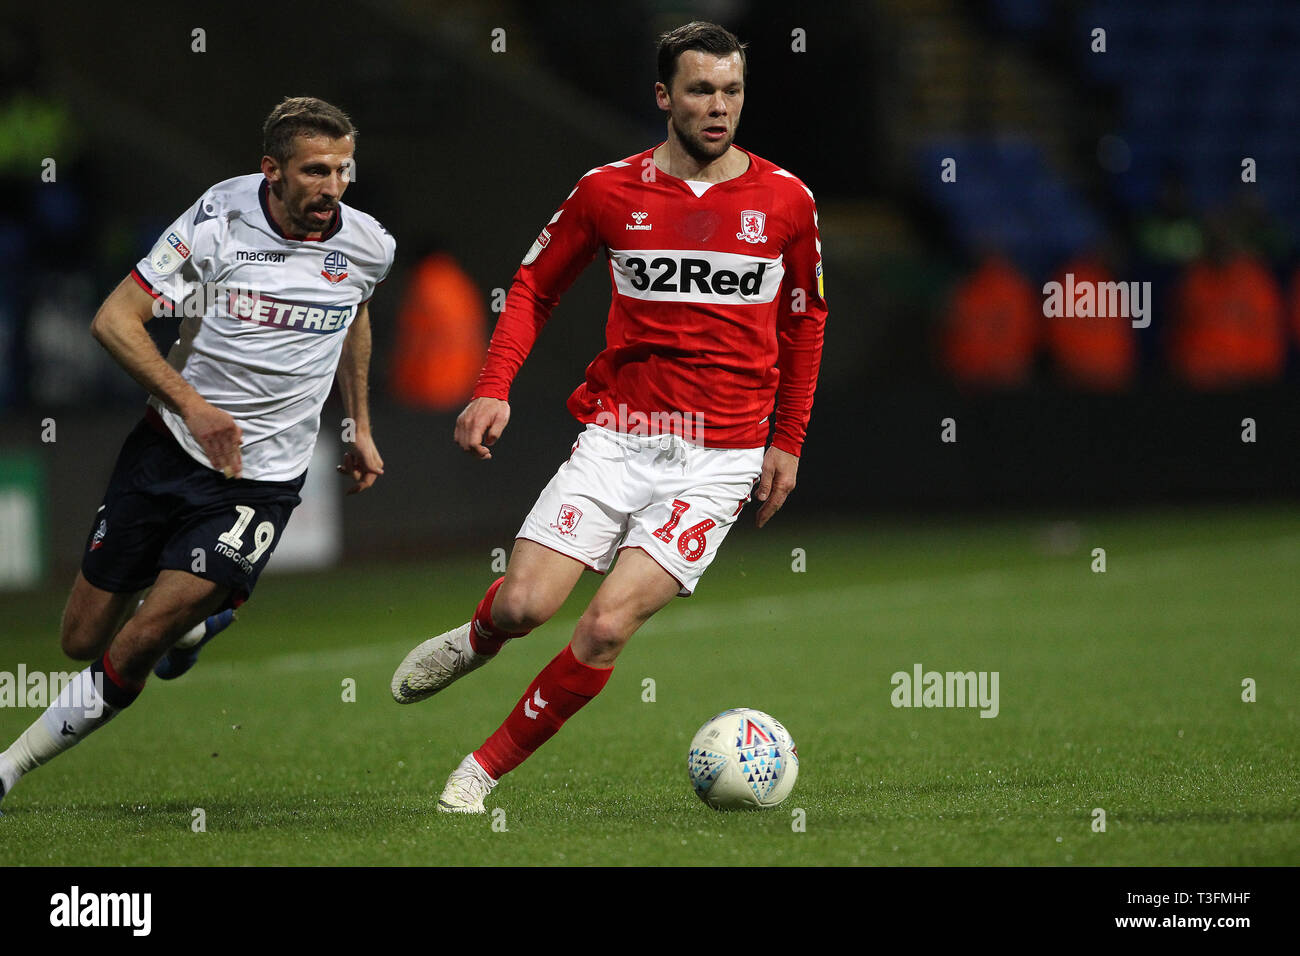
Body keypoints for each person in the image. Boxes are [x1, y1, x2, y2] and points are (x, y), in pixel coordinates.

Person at [390, 21, 827, 813]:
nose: (718, 106)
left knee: (604, 627)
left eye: (731, 90)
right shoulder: (607, 190)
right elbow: (531, 287)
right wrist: (495, 385)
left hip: (720, 459)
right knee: (525, 605)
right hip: (618, 439)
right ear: (664, 96)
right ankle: (478, 639)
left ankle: (477, 774)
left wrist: (786, 442)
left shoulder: (787, 201)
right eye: (700, 89)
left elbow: (806, 323)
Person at [0, 97, 394, 810]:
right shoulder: (217, 223)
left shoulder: (368, 244)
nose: (331, 187)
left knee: (141, 637)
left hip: (260, 480)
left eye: (343, 169)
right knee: (80, 638)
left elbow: (355, 311)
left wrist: (359, 423)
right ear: (271, 170)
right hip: (168, 449)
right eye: (314, 171)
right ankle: (200, 624)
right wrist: (193, 406)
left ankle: (8, 768)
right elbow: (113, 320)